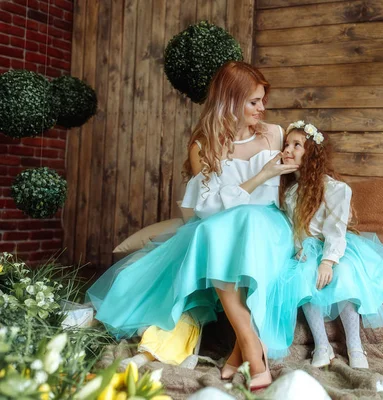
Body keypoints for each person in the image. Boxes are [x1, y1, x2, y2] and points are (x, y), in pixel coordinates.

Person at [87, 61, 299, 390]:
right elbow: (208, 208)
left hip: (267, 225)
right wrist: (262, 176)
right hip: (221, 228)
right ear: (230, 101)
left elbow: (295, 187)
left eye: (262, 101)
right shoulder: (203, 145)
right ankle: (251, 352)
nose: (262, 108)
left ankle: (244, 352)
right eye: (253, 102)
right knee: (214, 231)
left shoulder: (275, 134)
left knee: (233, 228)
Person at [274, 120, 383, 368]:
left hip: (334, 249)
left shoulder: (334, 189)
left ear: (311, 152)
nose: (288, 150)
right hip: (307, 249)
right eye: (287, 144)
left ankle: (355, 346)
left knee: (344, 274)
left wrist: (328, 261)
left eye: (297, 145)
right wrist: (300, 248)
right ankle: (322, 346)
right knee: (303, 277)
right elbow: (294, 228)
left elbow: (335, 230)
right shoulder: (290, 193)